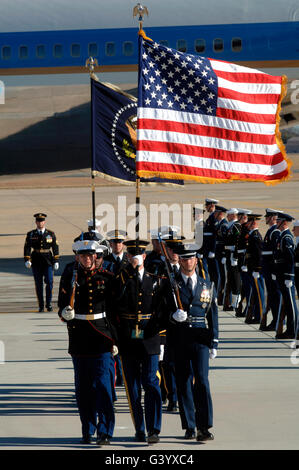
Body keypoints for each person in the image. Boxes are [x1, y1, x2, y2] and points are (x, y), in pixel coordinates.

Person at [58, 239, 116, 446]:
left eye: (90, 256)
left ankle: (105, 430)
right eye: (83, 256)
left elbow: (114, 312)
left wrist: (115, 339)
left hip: (101, 337)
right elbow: (61, 306)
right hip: (79, 338)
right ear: (77, 258)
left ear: (96, 257)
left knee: (102, 385)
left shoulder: (106, 278)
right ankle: (87, 428)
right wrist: (65, 313)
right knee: (83, 389)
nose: (87, 259)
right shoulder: (70, 277)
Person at [159, 242, 218, 442]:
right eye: (184, 259)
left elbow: (213, 314)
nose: (188, 262)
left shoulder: (206, 284)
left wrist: (215, 341)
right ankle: (190, 426)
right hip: (180, 338)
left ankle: (204, 426)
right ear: (180, 261)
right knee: (184, 382)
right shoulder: (170, 284)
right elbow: (162, 312)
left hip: (201, 338)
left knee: (202, 381)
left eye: (191, 258)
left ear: (196, 260)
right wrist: (172, 316)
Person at [110, 239, 163, 444]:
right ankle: (139, 428)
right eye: (132, 255)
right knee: (132, 387)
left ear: (145, 257)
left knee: (151, 382)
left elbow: (162, 310)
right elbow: (114, 305)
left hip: (149, 338)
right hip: (128, 339)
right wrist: (127, 273)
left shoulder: (155, 279)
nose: (135, 258)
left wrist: (163, 341)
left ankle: (154, 428)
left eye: (139, 255)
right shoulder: (120, 279)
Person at [24, 213, 59, 312]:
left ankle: (48, 304)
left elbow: (55, 247)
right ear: (36, 222)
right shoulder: (31, 234)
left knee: (49, 282)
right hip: (36, 260)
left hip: (47, 260)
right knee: (38, 284)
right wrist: (27, 259)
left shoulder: (50, 234)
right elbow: (27, 248)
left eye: (42, 221)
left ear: (44, 222)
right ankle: (41, 305)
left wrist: (56, 260)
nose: (40, 223)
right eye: (38, 221)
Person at [274, 212, 299, 340]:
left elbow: (290, 259)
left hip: (286, 275)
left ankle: (293, 330)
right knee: (287, 304)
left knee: (290, 304)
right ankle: (290, 329)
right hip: (281, 274)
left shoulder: (287, 237)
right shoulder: (282, 236)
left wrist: (289, 276)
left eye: (278, 221)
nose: (276, 222)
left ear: (284, 223)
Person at [260, 209, 282, 331]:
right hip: (268, 269)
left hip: (271, 270)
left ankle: (277, 320)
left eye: (268, 217)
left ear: (273, 218)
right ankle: (275, 320)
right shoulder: (271, 231)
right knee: (272, 296)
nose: (266, 219)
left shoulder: (275, 232)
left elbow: (275, 253)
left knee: (275, 296)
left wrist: (274, 271)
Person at [243, 214, 265, 324]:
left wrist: (257, 269)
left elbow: (259, 255)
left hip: (256, 270)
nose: (246, 224)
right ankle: (257, 316)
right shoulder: (252, 235)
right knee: (255, 294)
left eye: (249, 222)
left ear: (254, 223)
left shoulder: (256, 236)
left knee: (259, 294)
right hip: (251, 268)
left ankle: (260, 316)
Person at [223, 208, 241, 311]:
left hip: (233, 255)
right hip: (228, 254)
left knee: (235, 279)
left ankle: (236, 302)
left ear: (234, 215)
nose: (227, 217)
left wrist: (235, 256)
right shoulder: (230, 226)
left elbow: (237, 242)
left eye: (229, 215)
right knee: (230, 279)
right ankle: (233, 302)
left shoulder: (236, 226)